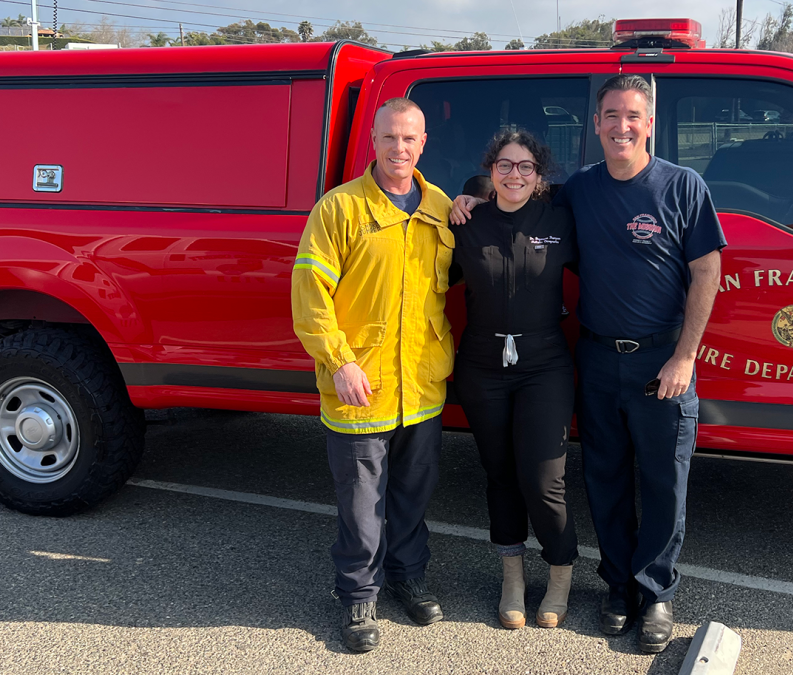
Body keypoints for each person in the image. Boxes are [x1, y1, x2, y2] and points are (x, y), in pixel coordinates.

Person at [452, 74, 725, 654]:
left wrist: (685, 356)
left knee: (662, 482)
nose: (621, 126)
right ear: (595, 124)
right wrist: (471, 193)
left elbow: (708, 272)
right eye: (611, 116)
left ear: (649, 122)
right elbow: (519, 193)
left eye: (633, 116)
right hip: (598, 357)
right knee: (603, 479)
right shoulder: (579, 189)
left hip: (662, 359)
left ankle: (656, 595)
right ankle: (618, 588)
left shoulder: (683, 186)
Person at [292, 97, 456, 653]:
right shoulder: (338, 209)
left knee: (412, 494)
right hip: (360, 386)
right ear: (373, 141)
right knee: (362, 504)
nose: (399, 148)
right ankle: (359, 594)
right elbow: (310, 296)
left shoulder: (439, 207)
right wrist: (339, 362)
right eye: (390, 138)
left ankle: (409, 578)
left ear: (423, 144)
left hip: (422, 385)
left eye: (410, 139)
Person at [449, 130, 579, 630]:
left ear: (539, 175)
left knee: (543, 477)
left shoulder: (560, 219)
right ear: (491, 171)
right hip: (482, 364)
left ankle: (561, 572)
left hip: (544, 363)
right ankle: (512, 579)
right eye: (505, 165)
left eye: (526, 167)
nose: (515, 175)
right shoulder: (466, 221)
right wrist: (463, 199)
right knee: (500, 472)